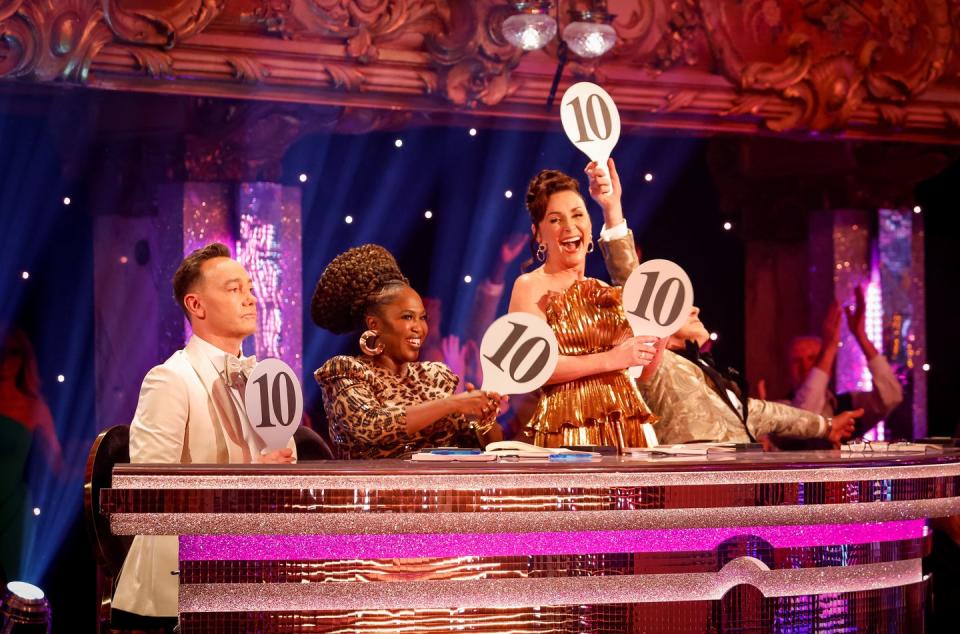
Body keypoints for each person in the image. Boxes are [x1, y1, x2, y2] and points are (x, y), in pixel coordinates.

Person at [112, 243, 295, 628]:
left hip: (251, 572)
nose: (249, 298)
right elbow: (148, 496)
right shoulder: (169, 379)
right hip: (174, 588)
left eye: (249, 288)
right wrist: (248, 472)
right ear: (196, 306)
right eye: (233, 289)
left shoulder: (263, 379)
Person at [508, 159, 658, 449]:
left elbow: (643, 369)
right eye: (555, 219)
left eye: (578, 215)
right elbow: (532, 369)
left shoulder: (606, 291)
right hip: (570, 433)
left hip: (629, 429)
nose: (569, 226)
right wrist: (612, 359)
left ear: (590, 226)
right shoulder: (529, 286)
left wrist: (611, 207)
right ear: (538, 234)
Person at [312, 244, 503, 459]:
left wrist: (483, 416)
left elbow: (486, 448)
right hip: (374, 490)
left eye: (422, 318)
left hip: (442, 490)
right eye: (407, 317)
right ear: (374, 324)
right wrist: (454, 403)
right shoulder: (347, 371)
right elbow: (372, 426)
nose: (419, 328)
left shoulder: (435, 376)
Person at [637, 306, 861, 445]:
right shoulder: (657, 363)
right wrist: (617, 231)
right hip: (693, 491)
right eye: (680, 308)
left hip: (741, 486)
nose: (695, 309)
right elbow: (639, 292)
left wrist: (826, 426)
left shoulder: (710, 375)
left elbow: (763, 413)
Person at [788, 287, 903, 433]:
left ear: (829, 367)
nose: (805, 366)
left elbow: (891, 397)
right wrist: (829, 349)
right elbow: (804, 419)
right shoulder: (781, 409)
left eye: (812, 359)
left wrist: (861, 336)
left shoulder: (847, 405)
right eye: (796, 361)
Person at [0, 326, 60, 583]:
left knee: (14, 591)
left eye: (13, 352)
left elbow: (58, 465)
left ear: (24, 358)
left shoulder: (34, 406)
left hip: (13, 510)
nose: (6, 358)